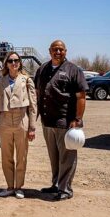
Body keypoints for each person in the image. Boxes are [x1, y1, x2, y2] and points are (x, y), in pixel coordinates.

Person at [34, 40, 88, 201]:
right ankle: (55, 184)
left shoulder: (73, 70)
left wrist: (77, 119)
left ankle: (65, 189)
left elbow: (81, 96)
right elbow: (37, 94)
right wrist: (34, 118)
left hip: (65, 122)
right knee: (54, 157)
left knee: (67, 157)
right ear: (49, 51)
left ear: (66, 51)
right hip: (47, 122)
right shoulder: (43, 69)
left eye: (61, 49)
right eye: (55, 49)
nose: (58, 52)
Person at [0, 52, 37, 199]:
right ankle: (10, 186)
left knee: (21, 156)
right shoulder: (0, 82)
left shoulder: (26, 80)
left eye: (16, 60)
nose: (14, 63)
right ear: (6, 63)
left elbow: (32, 105)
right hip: (4, 121)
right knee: (6, 156)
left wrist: (32, 127)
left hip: (21, 121)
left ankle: (19, 187)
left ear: (20, 63)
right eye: (11, 61)